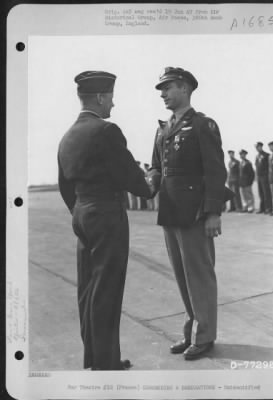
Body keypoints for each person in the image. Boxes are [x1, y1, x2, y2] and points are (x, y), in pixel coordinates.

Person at [57, 70, 152, 370]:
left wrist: (80, 210)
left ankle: (96, 358)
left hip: (82, 213)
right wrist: (151, 183)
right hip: (106, 214)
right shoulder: (106, 131)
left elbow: (64, 185)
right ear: (100, 97)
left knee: (88, 287)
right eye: (110, 97)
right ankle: (106, 363)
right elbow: (132, 178)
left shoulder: (68, 135)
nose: (113, 103)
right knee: (107, 287)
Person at [148, 67, 233, 361]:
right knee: (183, 278)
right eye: (161, 89)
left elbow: (215, 171)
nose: (163, 94)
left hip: (195, 214)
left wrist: (214, 213)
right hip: (170, 213)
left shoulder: (202, 125)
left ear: (184, 88)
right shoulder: (163, 128)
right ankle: (190, 333)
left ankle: (205, 336)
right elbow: (156, 167)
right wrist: (148, 184)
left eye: (167, 87)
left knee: (200, 276)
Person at [255, 142, 272, 214]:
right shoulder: (257, 156)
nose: (257, 148)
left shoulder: (267, 155)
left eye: (258, 147)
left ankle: (268, 208)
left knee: (266, 193)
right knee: (261, 193)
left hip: (265, 176)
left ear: (261, 147)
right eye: (256, 147)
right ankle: (262, 208)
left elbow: (269, 166)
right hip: (259, 176)